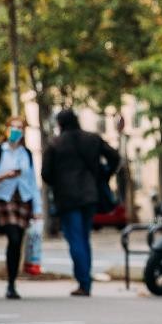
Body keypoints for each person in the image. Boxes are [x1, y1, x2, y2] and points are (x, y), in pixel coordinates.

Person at [41, 109, 120, 297]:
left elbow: (46, 174)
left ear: (59, 124)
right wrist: (104, 174)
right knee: (84, 238)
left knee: (75, 239)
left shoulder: (54, 144)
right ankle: (85, 281)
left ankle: (84, 282)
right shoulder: (92, 138)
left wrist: (58, 183)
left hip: (67, 197)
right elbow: (115, 157)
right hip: (89, 195)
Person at [0, 116, 42, 300]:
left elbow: (33, 182)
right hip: (4, 197)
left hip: (23, 199)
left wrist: (38, 207)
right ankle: (10, 282)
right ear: (7, 129)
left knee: (19, 240)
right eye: (13, 127)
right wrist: (5, 176)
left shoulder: (26, 153)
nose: (16, 131)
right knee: (14, 238)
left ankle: (12, 282)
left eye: (20, 128)